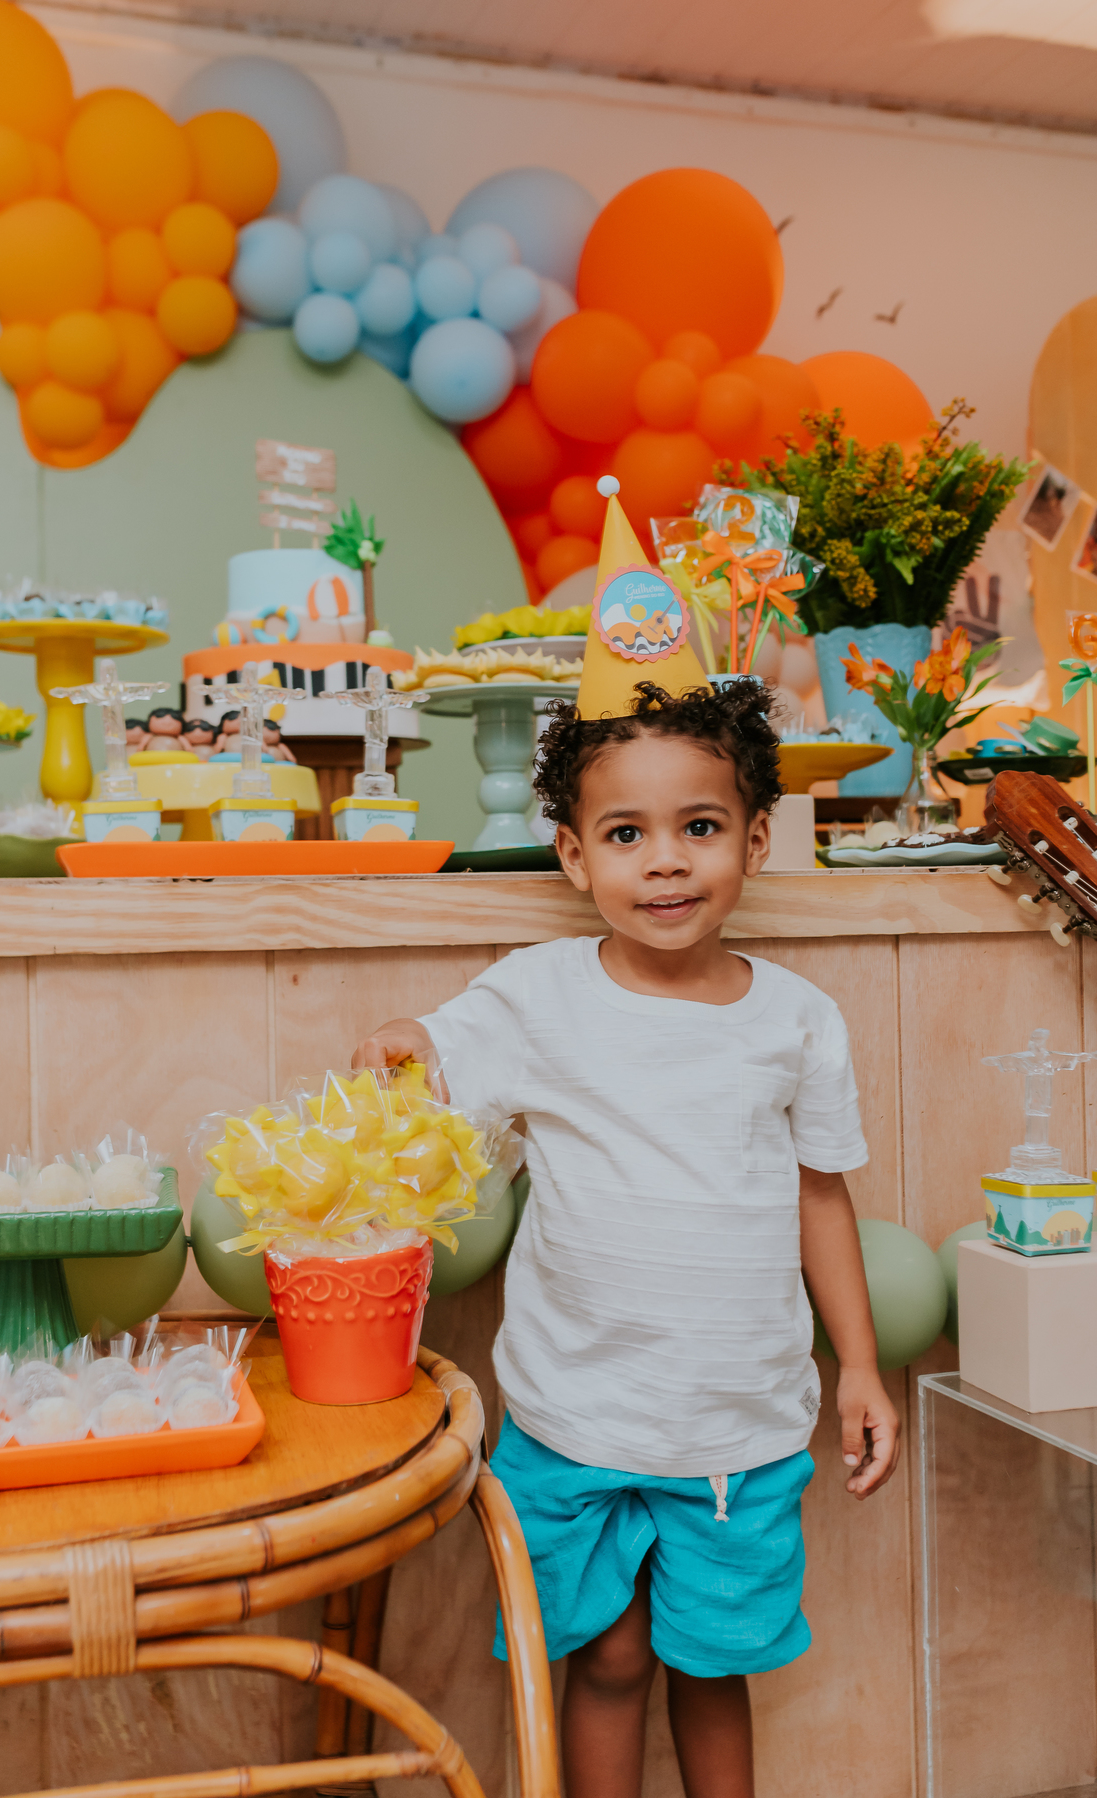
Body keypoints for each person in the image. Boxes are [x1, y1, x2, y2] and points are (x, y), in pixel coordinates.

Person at [351, 676, 899, 1798]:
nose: (664, 861)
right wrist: (406, 1041)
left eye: (699, 828)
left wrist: (859, 1366)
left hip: (735, 1427)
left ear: (753, 838)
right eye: (625, 833)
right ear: (571, 854)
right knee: (603, 1655)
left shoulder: (796, 1019)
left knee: (711, 1667)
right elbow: (438, 1056)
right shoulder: (537, 997)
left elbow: (819, 1197)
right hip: (578, 1415)